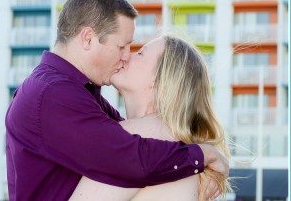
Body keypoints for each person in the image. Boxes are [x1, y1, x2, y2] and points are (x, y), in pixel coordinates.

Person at [5, 0, 228, 200]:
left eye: (136, 51)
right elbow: (128, 157)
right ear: (88, 39)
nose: (127, 56)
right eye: (122, 46)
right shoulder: (53, 94)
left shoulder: (81, 94)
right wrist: (203, 154)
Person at [70, 35, 232, 201]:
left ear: (159, 78)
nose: (126, 56)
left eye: (140, 53)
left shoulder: (139, 135)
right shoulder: (180, 144)